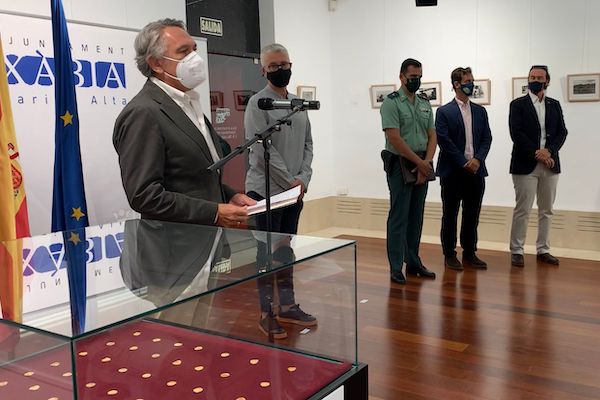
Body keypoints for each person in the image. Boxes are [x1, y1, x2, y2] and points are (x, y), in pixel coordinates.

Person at [113, 19, 255, 227]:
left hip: (206, 241)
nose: (195, 58)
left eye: (194, 49)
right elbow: (144, 195)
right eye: (183, 51)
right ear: (156, 63)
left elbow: (193, 176)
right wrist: (213, 212)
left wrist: (229, 195)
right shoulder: (143, 112)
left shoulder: (188, 103)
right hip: (173, 247)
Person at [244, 43, 316, 339]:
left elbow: (309, 144)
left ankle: (287, 306)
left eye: (285, 64)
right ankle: (266, 312)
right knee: (265, 252)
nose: (281, 70)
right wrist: (290, 182)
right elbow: (261, 150)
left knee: (285, 249)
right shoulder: (257, 104)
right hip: (266, 192)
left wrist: (303, 180)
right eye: (274, 66)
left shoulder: (299, 104)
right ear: (263, 70)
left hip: (295, 191)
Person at [379, 58, 437, 284]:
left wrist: (427, 162)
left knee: (416, 216)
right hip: (400, 163)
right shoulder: (391, 103)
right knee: (399, 216)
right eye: (413, 77)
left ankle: (413, 261)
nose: (416, 80)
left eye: (419, 76)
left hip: (423, 162)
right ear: (402, 77)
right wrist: (419, 163)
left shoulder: (424, 103)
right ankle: (395, 266)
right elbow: (393, 137)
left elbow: (432, 134)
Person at [509, 65, 568, 267]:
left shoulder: (554, 104)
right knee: (523, 210)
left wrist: (549, 151)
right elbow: (516, 134)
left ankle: (543, 249)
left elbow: (562, 132)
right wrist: (538, 153)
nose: (535, 80)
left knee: (546, 210)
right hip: (525, 165)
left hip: (550, 165)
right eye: (532, 77)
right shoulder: (517, 105)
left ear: (547, 81)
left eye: (539, 77)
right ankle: (517, 250)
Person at [435, 67, 492, 271]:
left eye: (472, 80)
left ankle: (470, 252)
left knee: (472, 214)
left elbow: (487, 138)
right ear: (456, 84)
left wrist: (477, 159)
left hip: (476, 171)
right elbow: (444, 140)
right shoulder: (444, 111)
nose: (471, 84)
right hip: (453, 172)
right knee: (450, 214)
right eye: (467, 81)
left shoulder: (480, 111)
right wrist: (463, 162)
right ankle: (449, 254)